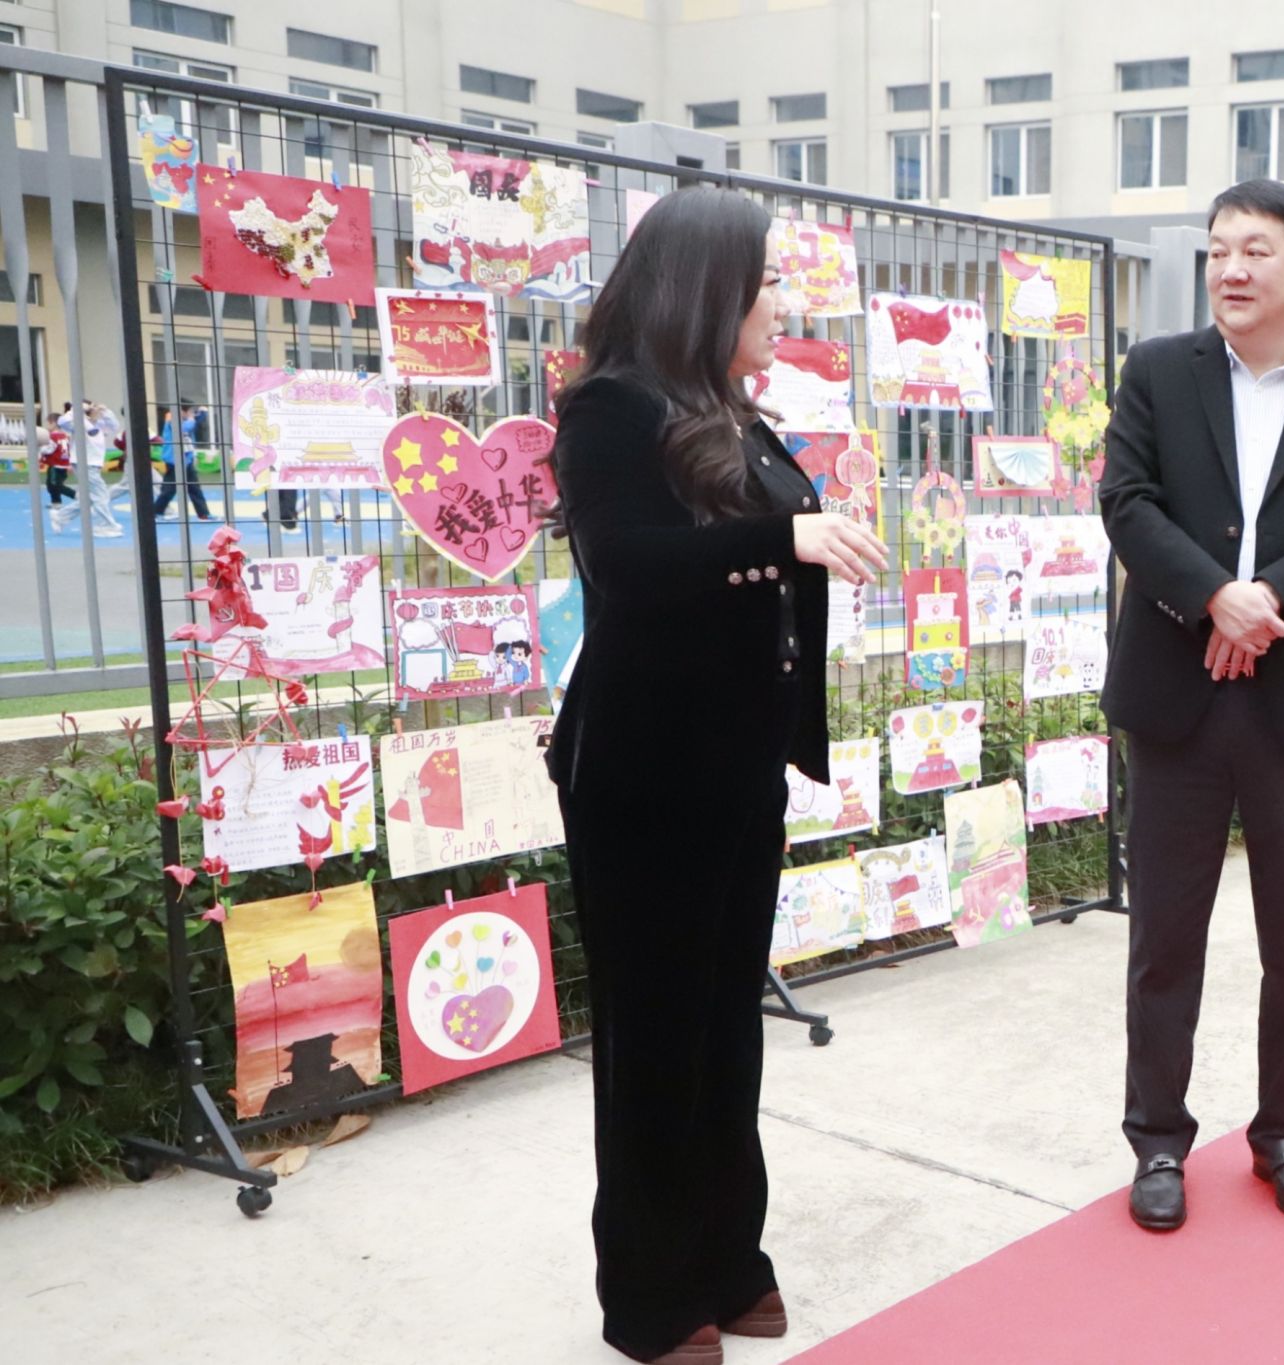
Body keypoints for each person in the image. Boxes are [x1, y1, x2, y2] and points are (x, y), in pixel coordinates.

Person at [545, 185, 886, 1365]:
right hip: (642, 771)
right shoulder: (610, 407)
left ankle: (729, 1259)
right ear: (708, 291)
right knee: (655, 1034)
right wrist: (777, 538)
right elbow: (626, 564)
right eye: (765, 283)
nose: (779, 304)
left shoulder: (730, 410)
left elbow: (763, 550)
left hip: (739, 763)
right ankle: (649, 1297)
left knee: (727, 1027)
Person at [1098, 179, 1284, 1232]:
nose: (1229, 269)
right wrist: (1210, 596)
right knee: (1164, 940)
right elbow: (1126, 501)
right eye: (1219, 250)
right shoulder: (1157, 372)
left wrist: (1265, 598)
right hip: (1175, 699)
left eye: (1254, 251)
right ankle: (1156, 1141)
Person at [52, 402, 125, 538]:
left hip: (93, 464)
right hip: (84, 463)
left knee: (90, 498)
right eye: (92, 409)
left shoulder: (100, 424)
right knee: (101, 494)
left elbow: (115, 425)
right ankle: (104, 525)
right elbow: (62, 421)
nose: (95, 411)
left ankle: (61, 516)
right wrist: (76, 410)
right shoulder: (77, 424)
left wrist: (105, 410)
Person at [153, 401, 213, 521]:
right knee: (169, 490)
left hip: (186, 461)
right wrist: (191, 418)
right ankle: (155, 512)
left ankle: (203, 514)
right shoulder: (171, 419)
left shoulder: (185, 419)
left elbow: (196, 422)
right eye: (189, 411)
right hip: (174, 461)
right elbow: (184, 427)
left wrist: (202, 412)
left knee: (194, 488)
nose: (190, 414)